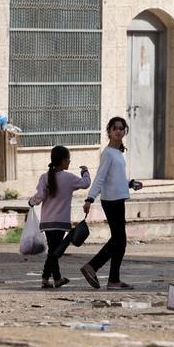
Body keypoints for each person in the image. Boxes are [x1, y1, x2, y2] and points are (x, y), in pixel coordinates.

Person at [79, 116, 143, 290]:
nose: (118, 131)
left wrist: (130, 183)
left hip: (118, 198)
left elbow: (117, 177)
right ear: (109, 131)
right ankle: (94, 267)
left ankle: (112, 279)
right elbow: (100, 177)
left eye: (121, 128)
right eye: (115, 128)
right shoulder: (107, 153)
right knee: (119, 240)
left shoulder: (118, 153)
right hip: (111, 201)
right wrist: (89, 198)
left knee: (119, 241)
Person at [28, 146, 90, 288]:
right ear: (62, 161)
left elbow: (40, 196)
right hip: (61, 222)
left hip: (47, 222)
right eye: (68, 159)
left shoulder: (44, 177)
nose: (69, 161)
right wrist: (85, 172)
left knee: (53, 250)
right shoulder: (69, 178)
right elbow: (86, 183)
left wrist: (31, 202)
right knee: (55, 252)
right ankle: (46, 277)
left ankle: (56, 278)